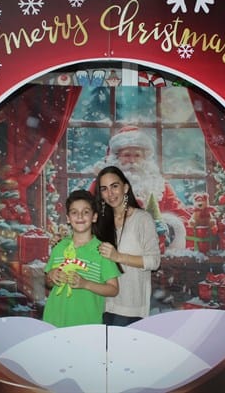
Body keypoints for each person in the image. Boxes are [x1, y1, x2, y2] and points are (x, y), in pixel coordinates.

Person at [93, 126, 189, 249]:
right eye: (127, 155)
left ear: (145, 158)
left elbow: (181, 216)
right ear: (116, 157)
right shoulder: (101, 184)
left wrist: (166, 226)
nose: (132, 161)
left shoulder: (159, 185)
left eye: (137, 155)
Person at [94, 166, 161, 326]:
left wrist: (118, 257)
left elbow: (154, 261)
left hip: (128, 308)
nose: (110, 193)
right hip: (98, 304)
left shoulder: (142, 219)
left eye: (114, 186)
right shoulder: (99, 221)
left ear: (125, 187)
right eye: (104, 189)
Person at [43, 190, 120, 328]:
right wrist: (51, 276)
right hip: (53, 322)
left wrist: (85, 284)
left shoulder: (102, 250)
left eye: (85, 212)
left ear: (94, 217)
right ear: (68, 218)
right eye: (74, 212)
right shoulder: (59, 247)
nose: (79, 216)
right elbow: (48, 284)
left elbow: (113, 289)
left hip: (87, 326)